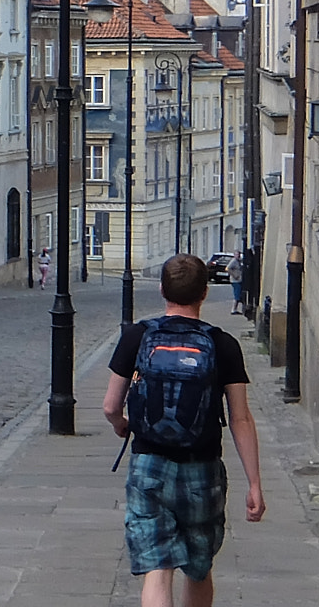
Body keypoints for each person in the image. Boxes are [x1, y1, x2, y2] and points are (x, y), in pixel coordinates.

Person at [103, 254, 265, 607]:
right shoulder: (223, 345)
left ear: (162, 290)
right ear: (204, 293)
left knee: (157, 569)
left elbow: (110, 406)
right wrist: (254, 483)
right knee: (198, 568)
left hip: (149, 465)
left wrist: (123, 426)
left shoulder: (138, 336)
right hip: (202, 471)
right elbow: (240, 419)